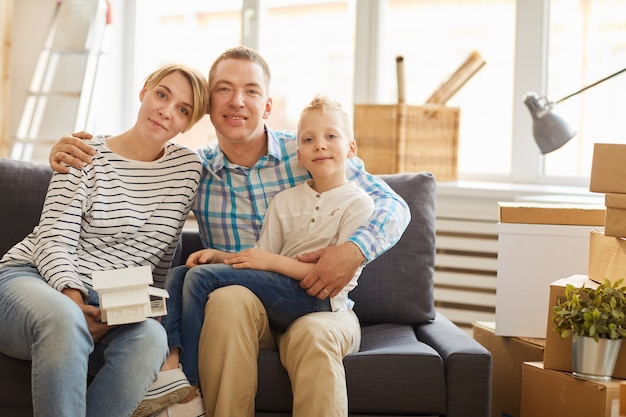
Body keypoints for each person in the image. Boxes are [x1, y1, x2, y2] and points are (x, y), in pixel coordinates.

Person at [49, 46, 410, 417]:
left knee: (310, 333)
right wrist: (73, 151)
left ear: (267, 106)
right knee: (227, 297)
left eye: (251, 90)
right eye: (224, 89)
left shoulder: (308, 150)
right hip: (242, 306)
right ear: (208, 106)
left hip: (318, 304)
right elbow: (137, 174)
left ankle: (178, 373)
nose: (237, 101)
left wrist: (354, 250)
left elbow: (392, 205)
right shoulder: (192, 169)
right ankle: (187, 391)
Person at [0, 63, 209, 417]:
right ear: (144, 91)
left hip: (109, 301)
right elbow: (54, 239)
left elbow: (162, 255)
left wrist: (147, 311)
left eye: (182, 110)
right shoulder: (83, 153)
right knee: (65, 319)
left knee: (151, 340)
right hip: (33, 279)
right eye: (162, 95)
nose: (166, 111)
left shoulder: (187, 170)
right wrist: (73, 301)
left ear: (187, 124)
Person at [158, 95, 375, 402]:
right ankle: (170, 362)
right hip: (278, 300)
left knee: (199, 279)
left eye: (331, 137)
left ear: (351, 148)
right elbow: (260, 256)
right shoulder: (285, 200)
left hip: (321, 301)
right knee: (182, 273)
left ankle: (187, 381)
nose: (320, 145)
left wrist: (268, 261)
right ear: (299, 155)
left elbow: (326, 275)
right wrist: (221, 258)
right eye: (309, 139)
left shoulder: (359, 204)